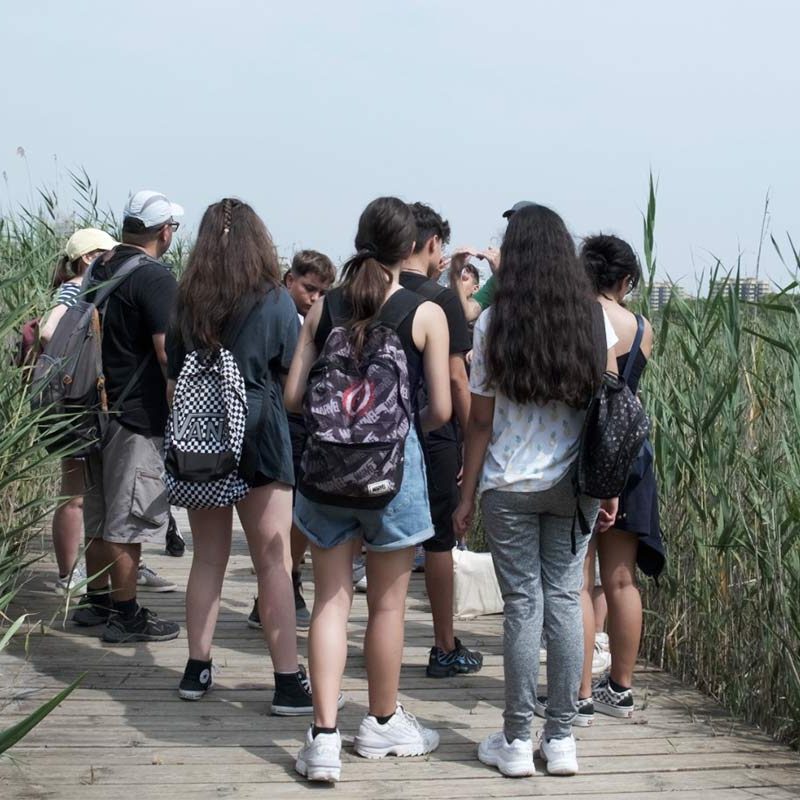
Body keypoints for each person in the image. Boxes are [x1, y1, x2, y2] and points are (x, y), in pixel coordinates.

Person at [286, 197, 451, 782]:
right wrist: (392, 427)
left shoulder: (323, 309)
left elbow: (291, 399)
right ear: (409, 248)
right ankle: (381, 722)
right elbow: (442, 409)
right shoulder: (422, 311)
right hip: (393, 473)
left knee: (332, 600)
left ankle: (323, 737)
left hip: (326, 471)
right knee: (386, 604)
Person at [453, 204, 619, 778]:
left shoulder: (492, 323)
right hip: (573, 486)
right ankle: (563, 738)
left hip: (508, 485)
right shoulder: (590, 323)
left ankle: (517, 741)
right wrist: (607, 485)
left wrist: (467, 495)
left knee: (523, 607)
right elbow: (603, 411)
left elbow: (478, 423)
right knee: (567, 600)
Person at [167, 198, 318, 712]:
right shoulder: (274, 299)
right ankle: (286, 682)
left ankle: (196, 667)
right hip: (259, 432)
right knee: (272, 561)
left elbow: (172, 383)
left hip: (202, 435)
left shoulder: (187, 301)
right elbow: (290, 372)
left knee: (207, 557)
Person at [71, 191, 183, 641]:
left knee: (99, 512)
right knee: (127, 518)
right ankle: (126, 614)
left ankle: (95, 601)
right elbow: (164, 352)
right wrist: (181, 409)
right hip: (135, 415)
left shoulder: (100, 267)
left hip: (91, 408)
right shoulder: (156, 279)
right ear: (164, 231)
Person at [576, 234, 665, 720]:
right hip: (632, 453)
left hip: (589, 452)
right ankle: (621, 688)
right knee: (621, 578)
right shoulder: (643, 327)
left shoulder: (578, 319)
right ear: (625, 279)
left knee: (578, 577)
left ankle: (580, 690)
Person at [402, 202, 483, 678]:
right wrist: (474, 440)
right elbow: (456, 380)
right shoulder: (439, 299)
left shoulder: (356, 293)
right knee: (438, 539)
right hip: (432, 434)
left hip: (364, 439)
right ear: (430, 244)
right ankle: (443, 644)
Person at [248, 249, 336, 631]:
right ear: (289, 280)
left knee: (299, 511)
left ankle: (288, 580)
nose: (314, 297)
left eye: (321, 291)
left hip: (303, 421)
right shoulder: (282, 312)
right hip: (284, 420)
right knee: (289, 513)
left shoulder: (314, 318)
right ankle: (279, 588)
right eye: (308, 288)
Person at [39, 228, 118, 594]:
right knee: (74, 492)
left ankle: (75, 572)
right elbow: (49, 330)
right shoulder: (74, 289)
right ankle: (69, 574)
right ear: (89, 258)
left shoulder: (80, 288)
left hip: (72, 399)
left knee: (79, 491)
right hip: (75, 400)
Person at [450, 200, 536, 323]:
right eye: (510, 226)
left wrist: (501, 275)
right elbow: (467, 313)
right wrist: (455, 272)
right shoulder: (502, 273)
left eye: (519, 226)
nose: (513, 234)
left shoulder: (551, 272)